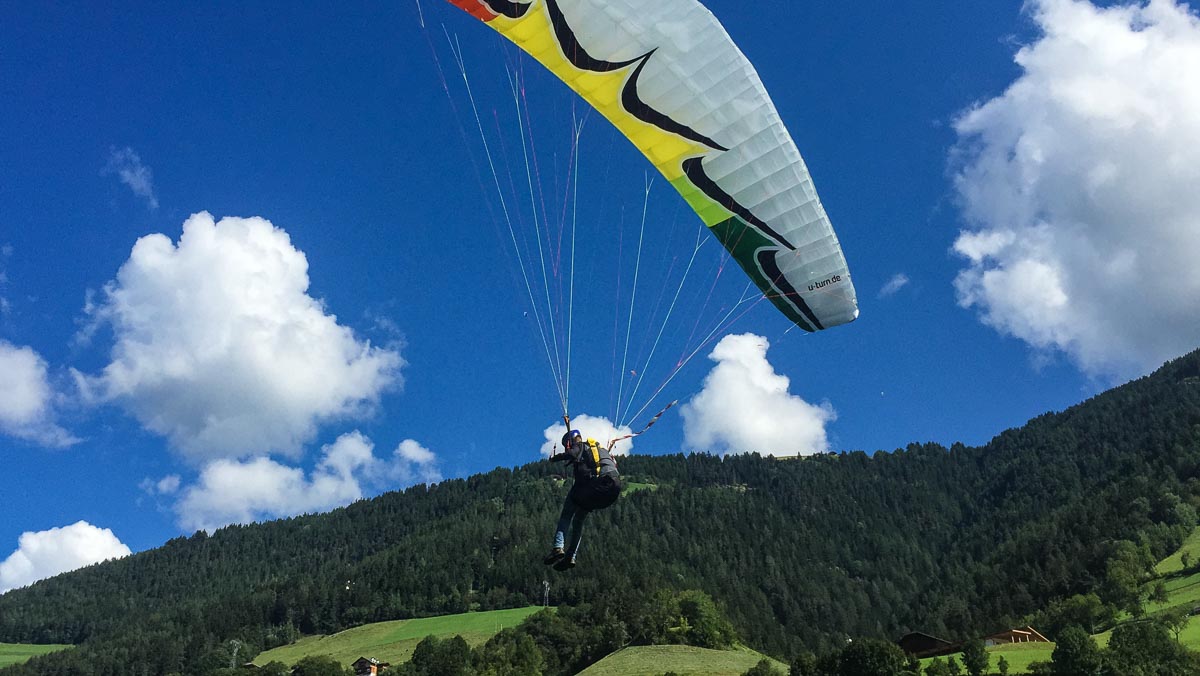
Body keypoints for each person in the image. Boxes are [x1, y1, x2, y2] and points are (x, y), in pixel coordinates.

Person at [544, 429, 623, 570]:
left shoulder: (580, 446)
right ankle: (570, 556)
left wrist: (554, 458)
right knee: (578, 520)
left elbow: (571, 454)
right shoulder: (600, 450)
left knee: (567, 513)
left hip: (597, 485)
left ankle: (558, 547)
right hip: (612, 490)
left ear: (570, 442)